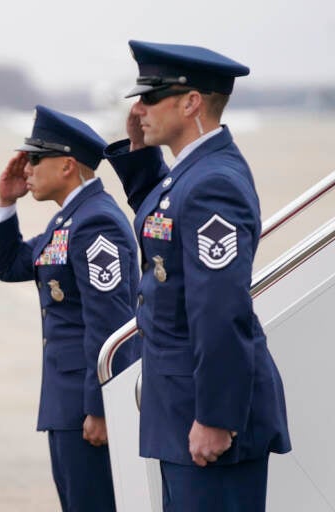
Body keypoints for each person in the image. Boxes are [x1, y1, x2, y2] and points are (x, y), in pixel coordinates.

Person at [104, 40, 292, 511]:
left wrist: (216, 416)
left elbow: (220, 307)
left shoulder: (214, 184)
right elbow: (161, 224)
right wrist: (138, 151)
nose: (138, 107)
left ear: (190, 103)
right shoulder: (192, 174)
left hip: (205, 417)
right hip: (180, 408)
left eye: (151, 96)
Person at [0, 105, 140, 511]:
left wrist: (102, 407)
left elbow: (111, 324)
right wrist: (4, 202)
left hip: (88, 406)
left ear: (67, 165)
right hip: (68, 403)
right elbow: (12, 264)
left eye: (34, 158)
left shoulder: (96, 222)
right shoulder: (69, 220)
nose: (25, 168)